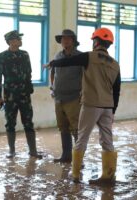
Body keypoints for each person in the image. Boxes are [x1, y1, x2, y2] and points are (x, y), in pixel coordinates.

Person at [45, 28, 121, 183]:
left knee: (82, 138)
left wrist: (53, 63)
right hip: (107, 106)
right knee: (107, 141)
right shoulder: (115, 64)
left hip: (91, 104)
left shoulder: (88, 56)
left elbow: (69, 62)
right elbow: (117, 90)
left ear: (96, 42)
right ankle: (108, 176)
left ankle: (75, 175)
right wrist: (113, 111)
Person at [0, 30, 42, 159]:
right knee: (10, 123)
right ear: (10, 41)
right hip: (10, 95)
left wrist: (29, 89)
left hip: (24, 95)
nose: (20, 40)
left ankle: (33, 151)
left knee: (28, 122)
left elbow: (29, 73)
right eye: (17, 38)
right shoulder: (1, 57)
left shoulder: (25, 55)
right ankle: (11, 150)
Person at [50, 29, 83, 163]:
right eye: (63, 39)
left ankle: (79, 159)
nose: (65, 41)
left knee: (76, 129)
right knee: (63, 127)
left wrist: (83, 94)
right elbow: (53, 73)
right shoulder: (58, 56)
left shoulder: (80, 57)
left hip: (74, 98)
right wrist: (52, 88)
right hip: (59, 98)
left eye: (68, 39)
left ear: (73, 41)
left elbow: (85, 76)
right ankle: (66, 156)